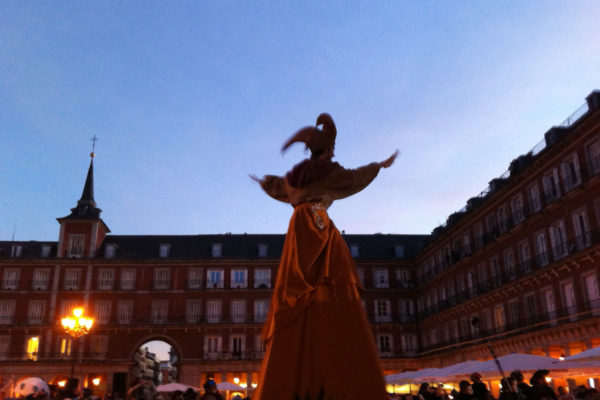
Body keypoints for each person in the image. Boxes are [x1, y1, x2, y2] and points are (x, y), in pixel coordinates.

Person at [251, 113, 398, 399]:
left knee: (297, 282)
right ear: (328, 150)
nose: (334, 153)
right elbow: (355, 178)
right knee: (332, 273)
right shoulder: (330, 172)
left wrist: (264, 181)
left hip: (298, 226)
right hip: (318, 220)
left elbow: (278, 187)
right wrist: (379, 165)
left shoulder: (295, 178)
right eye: (332, 148)